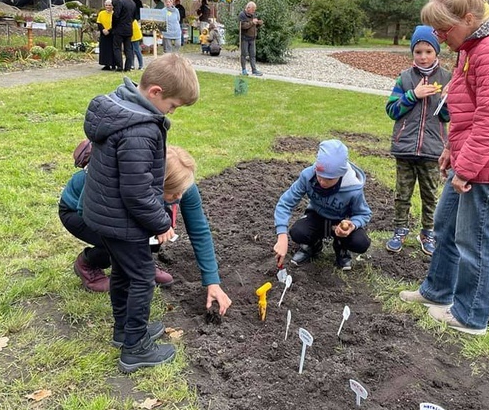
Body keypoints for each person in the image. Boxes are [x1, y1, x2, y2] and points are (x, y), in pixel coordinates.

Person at [399, 0, 489, 336]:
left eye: (444, 29)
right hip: (470, 160)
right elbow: (465, 108)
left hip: (486, 170)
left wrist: (466, 169)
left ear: (469, 20)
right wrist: (449, 148)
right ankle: (437, 292)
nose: (439, 38)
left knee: (475, 243)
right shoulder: (473, 47)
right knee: (444, 226)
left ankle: (470, 316)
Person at [81, 53, 200, 372]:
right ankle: (135, 347)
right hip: (123, 220)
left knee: (123, 271)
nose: (173, 112)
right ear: (155, 92)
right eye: (173, 105)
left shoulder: (121, 108)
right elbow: (136, 191)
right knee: (143, 278)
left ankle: (125, 330)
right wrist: (161, 222)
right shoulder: (140, 129)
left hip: (106, 214)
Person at [60, 146, 232, 313]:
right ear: (156, 185)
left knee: (160, 227)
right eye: (174, 193)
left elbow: (199, 231)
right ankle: (88, 263)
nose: (180, 197)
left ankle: (142, 261)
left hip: (122, 212)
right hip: (79, 211)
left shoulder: (183, 186)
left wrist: (212, 282)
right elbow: (93, 215)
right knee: (128, 239)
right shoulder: (128, 182)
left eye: (182, 191)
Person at [385, 26, 451, 256]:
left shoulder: (446, 79)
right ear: (413, 53)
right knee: (402, 193)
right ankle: (400, 229)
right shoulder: (404, 78)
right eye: (418, 52)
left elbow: (448, 117)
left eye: (428, 51)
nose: (423, 57)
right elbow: (392, 110)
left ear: (437, 53)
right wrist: (413, 95)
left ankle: (427, 232)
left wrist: (446, 103)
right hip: (405, 148)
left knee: (430, 194)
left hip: (433, 150)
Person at [273, 140, 372, 272]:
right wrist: (282, 236)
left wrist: (351, 225)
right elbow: (285, 203)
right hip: (316, 216)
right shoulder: (307, 176)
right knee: (297, 232)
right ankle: (313, 245)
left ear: (341, 175)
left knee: (360, 243)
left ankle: (341, 246)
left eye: (330, 179)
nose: (323, 182)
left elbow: (363, 214)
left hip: (340, 222)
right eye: (320, 176)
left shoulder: (353, 189)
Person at [111, 0, 136, 72]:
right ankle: (128, 67)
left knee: (117, 48)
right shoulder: (132, 2)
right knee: (128, 48)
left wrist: (113, 26)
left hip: (119, 28)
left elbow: (116, 15)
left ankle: (119, 66)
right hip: (129, 28)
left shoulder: (119, 2)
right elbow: (134, 16)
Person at [238, 1, 263, 76]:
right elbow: (243, 26)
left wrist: (258, 23)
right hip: (244, 38)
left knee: (253, 55)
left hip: (252, 38)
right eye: (253, 10)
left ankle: (254, 70)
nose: (253, 11)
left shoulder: (253, 14)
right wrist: (252, 22)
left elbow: (253, 25)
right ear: (248, 8)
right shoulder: (242, 15)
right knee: (244, 54)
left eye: (254, 10)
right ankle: (244, 70)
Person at [97, 0, 115, 71]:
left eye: (109, 5)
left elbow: (115, 24)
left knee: (112, 49)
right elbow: (99, 22)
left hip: (112, 33)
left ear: (112, 6)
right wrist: (103, 30)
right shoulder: (101, 13)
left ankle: (113, 64)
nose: (108, 7)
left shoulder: (114, 14)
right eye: (106, 5)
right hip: (103, 33)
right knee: (104, 49)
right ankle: (106, 64)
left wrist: (109, 30)